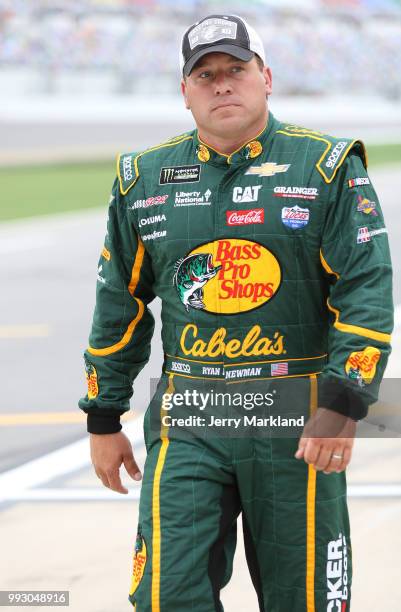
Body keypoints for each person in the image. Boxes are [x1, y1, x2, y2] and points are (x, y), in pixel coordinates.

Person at [79, 13, 393, 612]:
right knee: (165, 598)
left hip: (295, 421)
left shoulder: (325, 166)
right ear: (186, 91)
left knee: (306, 602)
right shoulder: (142, 180)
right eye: (206, 74)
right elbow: (118, 305)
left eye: (236, 70)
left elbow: (367, 289)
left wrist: (345, 402)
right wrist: (103, 417)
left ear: (266, 77)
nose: (222, 84)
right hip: (189, 418)